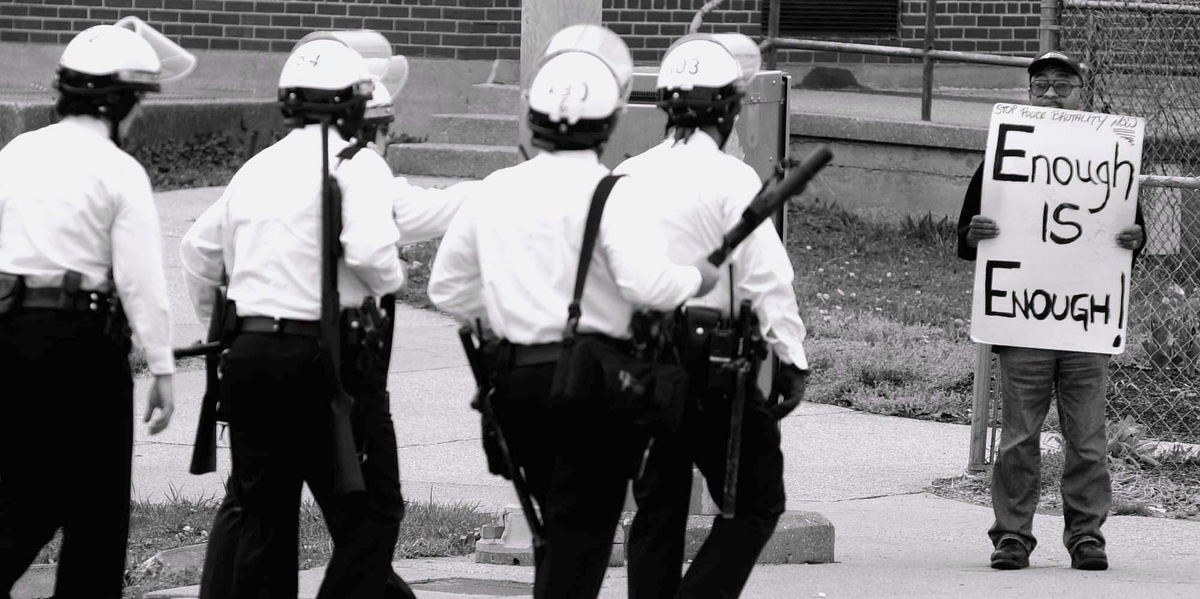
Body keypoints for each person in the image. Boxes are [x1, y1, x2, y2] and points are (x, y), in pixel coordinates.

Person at [428, 24, 719, 599]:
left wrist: (512, 311)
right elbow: (648, 285)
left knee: (558, 533)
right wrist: (698, 276)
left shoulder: (493, 188)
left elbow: (447, 288)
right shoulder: (614, 191)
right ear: (609, 123)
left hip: (514, 383)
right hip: (595, 387)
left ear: (533, 116)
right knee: (579, 540)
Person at [180, 39, 406, 598]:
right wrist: (392, 280)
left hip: (250, 357)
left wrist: (235, 322)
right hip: (328, 359)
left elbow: (197, 251)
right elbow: (374, 259)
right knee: (375, 510)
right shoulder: (359, 163)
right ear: (352, 106)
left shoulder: (258, 167)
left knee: (264, 522)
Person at [613, 33, 810, 598]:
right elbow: (767, 279)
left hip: (642, 360)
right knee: (757, 503)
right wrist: (791, 357)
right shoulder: (732, 178)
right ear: (728, 110)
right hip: (715, 366)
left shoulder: (626, 177)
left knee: (658, 507)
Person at [0, 22, 184, 598]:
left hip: (8, 329)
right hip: (82, 339)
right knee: (95, 505)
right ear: (120, 100)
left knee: (18, 483)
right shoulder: (118, 170)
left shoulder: (17, 151)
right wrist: (161, 367)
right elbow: (140, 279)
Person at [956, 50, 1146, 572]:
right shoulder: (1003, 157)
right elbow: (966, 235)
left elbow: (1134, 231)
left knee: (1087, 441)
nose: (1051, 95)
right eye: (1041, 85)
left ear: (1083, 94)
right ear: (1028, 92)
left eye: (1063, 86)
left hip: (1086, 322)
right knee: (1019, 439)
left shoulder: (1111, 158)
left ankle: (1086, 536)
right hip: (1023, 321)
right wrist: (975, 233)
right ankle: (1012, 536)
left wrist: (1135, 237)